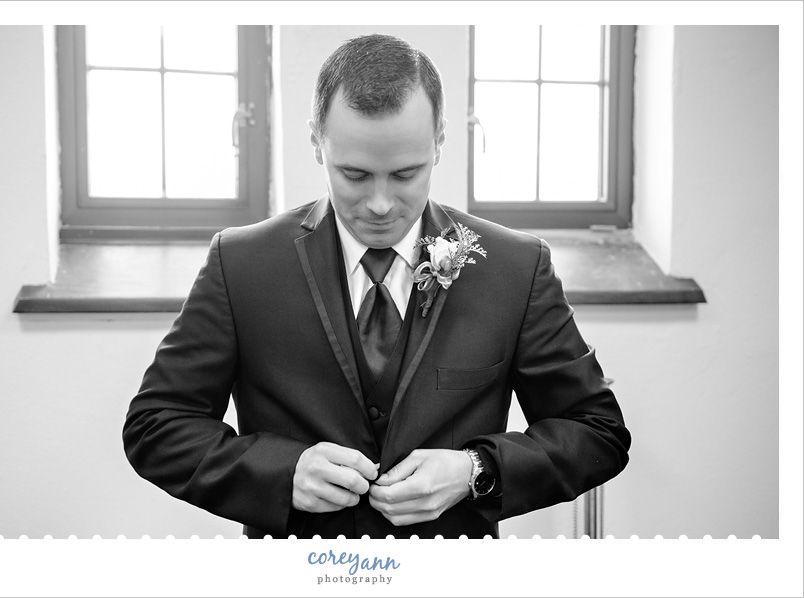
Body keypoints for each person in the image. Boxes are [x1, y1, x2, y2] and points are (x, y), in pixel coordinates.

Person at [123, 33, 630, 539]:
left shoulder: (515, 267)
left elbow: (597, 431)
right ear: (316, 142)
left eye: (406, 174)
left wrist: (476, 470)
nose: (382, 204)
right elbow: (156, 425)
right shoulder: (241, 263)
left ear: (440, 142)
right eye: (355, 175)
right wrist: (281, 473)